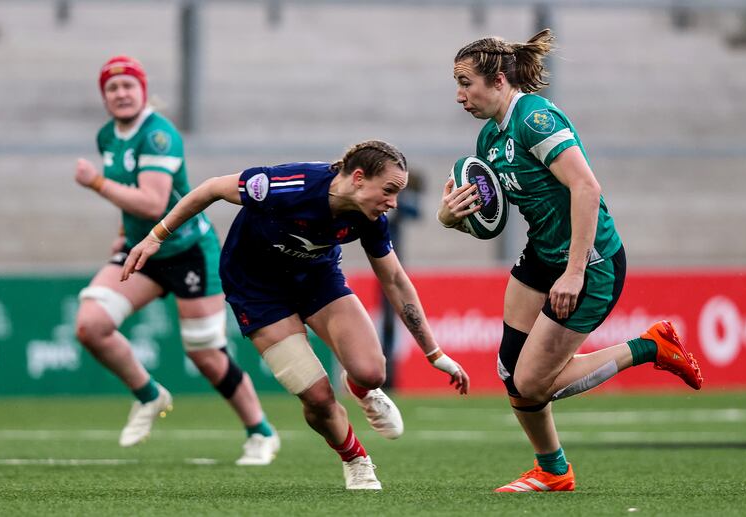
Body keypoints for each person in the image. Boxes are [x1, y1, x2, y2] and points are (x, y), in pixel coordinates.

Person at [438, 29, 703, 493]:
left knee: (532, 385)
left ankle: (652, 346)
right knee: (510, 373)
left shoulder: (535, 119)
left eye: (465, 83)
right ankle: (553, 471)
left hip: (590, 263)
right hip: (543, 254)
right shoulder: (488, 139)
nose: (459, 95)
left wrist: (575, 272)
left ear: (498, 80)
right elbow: (493, 218)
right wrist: (450, 217)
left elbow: (587, 188)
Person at [120, 140, 470, 490]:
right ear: (359, 178)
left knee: (371, 372)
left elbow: (394, 279)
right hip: (257, 290)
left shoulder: (370, 218)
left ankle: (360, 389)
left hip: (317, 279)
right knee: (317, 397)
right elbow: (211, 188)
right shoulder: (285, 185)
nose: (393, 203)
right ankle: (356, 460)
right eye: (390, 190)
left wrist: (434, 353)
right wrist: (156, 237)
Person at [73, 55, 279, 465]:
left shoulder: (159, 135)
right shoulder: (107, 136)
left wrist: (96, 182)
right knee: (91, 325)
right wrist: (122, 233)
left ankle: (261, 431)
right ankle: (150, 395)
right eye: (112, 88)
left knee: (205, 354)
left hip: (187, 251)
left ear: (143, 90)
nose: (121, 93)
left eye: (128, 85)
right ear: (104, 97)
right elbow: (133, 200)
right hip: (142, 249)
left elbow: (152, 203)